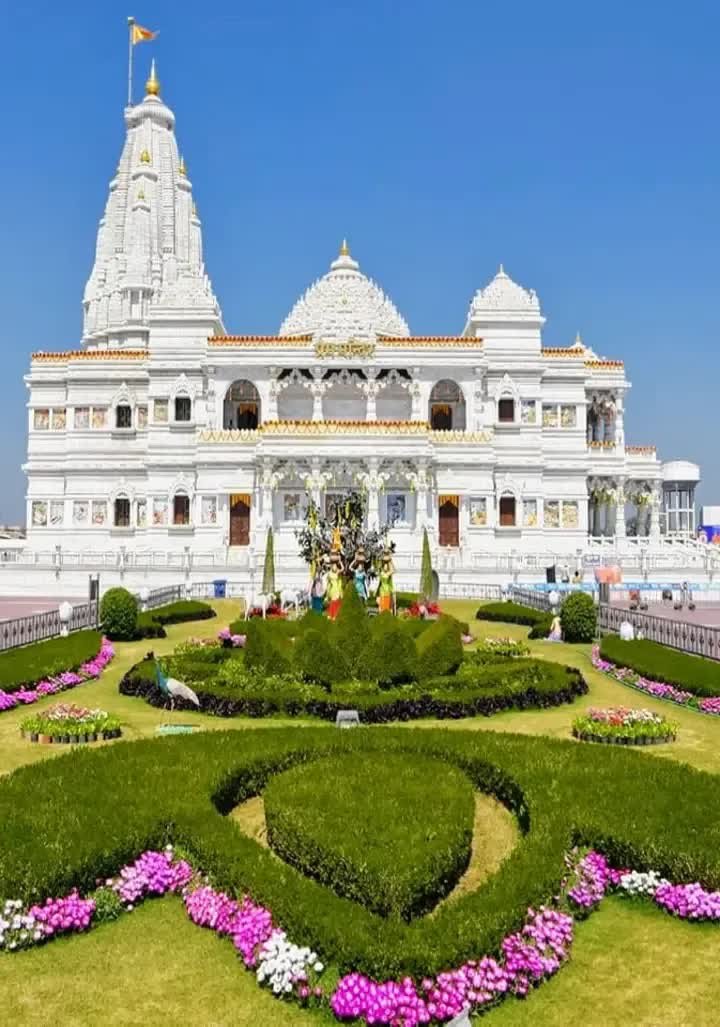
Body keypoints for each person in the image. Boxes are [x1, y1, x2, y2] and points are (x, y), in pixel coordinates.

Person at [377, 549, 395, 614]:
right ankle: (381, 614)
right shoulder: (381, 573)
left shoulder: (388, 574)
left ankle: (387, 614)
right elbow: (379, 566)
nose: (385, 567)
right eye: (384, 565)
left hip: (387, 589)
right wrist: (382, 555)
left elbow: (393, 570)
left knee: (387, 604)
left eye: (386, 566)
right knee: (381, 605)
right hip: (382, 590)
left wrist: (390, 560)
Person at [326, 555, 344, 620]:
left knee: (337, 603)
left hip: (338, 589)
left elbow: (342, 569)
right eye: (333, 566)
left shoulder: (338, 572)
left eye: (336, 566)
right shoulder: (329, 574)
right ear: (332, 567)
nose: (335, 567)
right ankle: (331, 615)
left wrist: (340, 561)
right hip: (332, 590)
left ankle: (336, 616)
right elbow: (328, 583)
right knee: (332, 603)